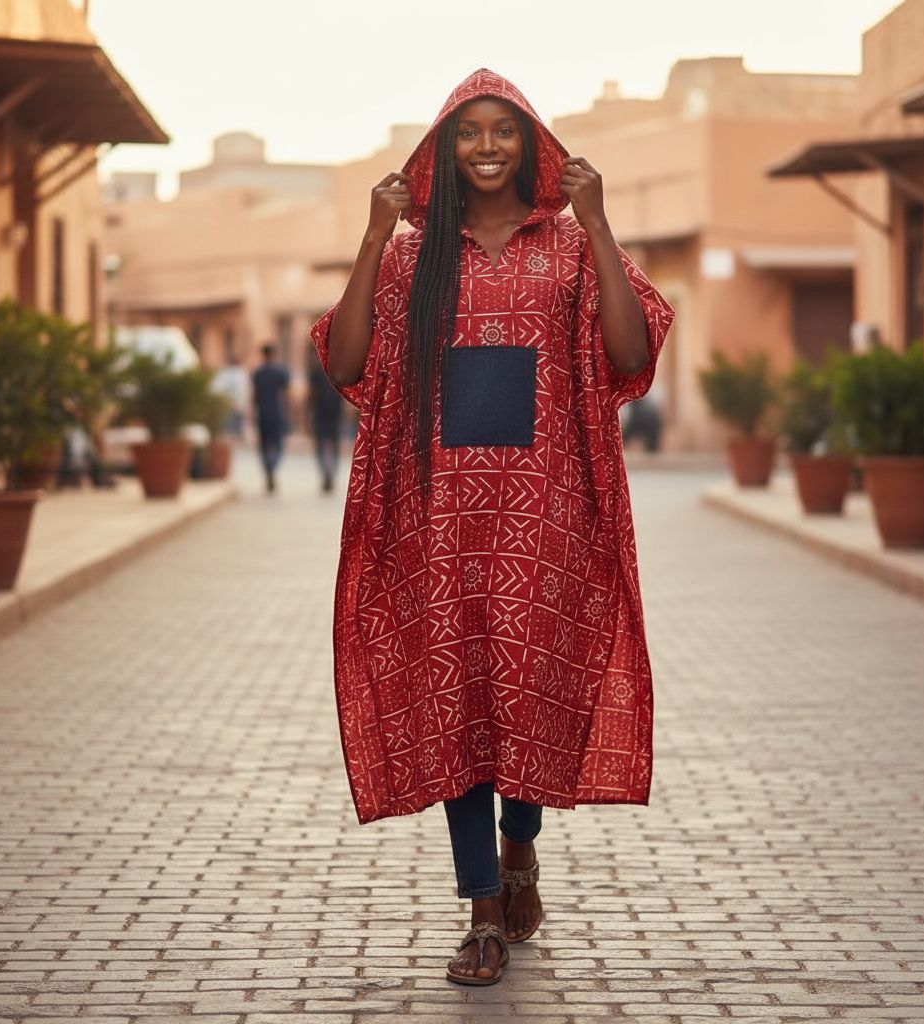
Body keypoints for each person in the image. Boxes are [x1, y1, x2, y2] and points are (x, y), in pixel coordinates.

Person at [309, 69, 675, 986]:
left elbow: (632, 355)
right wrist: (368, 235)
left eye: (501, 131)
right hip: (437, 518)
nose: (484, 147)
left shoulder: (569, 250)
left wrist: (597, 222)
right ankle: (480, 912)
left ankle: (520, 849)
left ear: (529, 144)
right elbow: (346, 360)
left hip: (544, 515)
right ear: (443, 147)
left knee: (526, 693)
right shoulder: (410, 260)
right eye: (466, 131)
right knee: (458, 704)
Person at [251, 342, 290, 494]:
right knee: (278, 445)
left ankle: (267, 468)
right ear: (273, 354)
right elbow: (285, 395)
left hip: (262, 413)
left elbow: (254, 396)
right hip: (277, 413)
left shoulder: (258, 373)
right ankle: (272, 465)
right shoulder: (281, 372)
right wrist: (289, 413)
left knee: (263, 445)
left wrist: (252, 413)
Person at [307, 353, 344, 492]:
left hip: (319, 412)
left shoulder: (316, 370)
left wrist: (307, 413)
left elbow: (311, 394)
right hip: (335, 412)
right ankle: (331, 473)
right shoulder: (339, 369)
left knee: (320, 445)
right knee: (334, 445)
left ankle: (325, 472)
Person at [210, 352, 251, 441]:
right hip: (232, 405)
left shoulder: (229, 372)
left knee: (231, 430)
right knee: (230, 430)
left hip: (231, 405)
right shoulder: (237, 373)